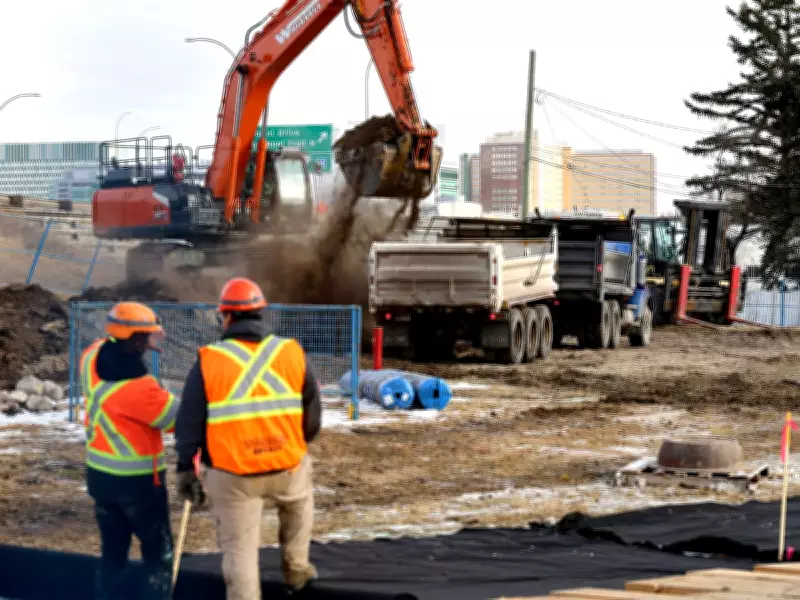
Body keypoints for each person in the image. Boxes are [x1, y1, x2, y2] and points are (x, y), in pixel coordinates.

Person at [174, 277, 322, 599]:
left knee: (240, 551)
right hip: (286, 466)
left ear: (225, 317)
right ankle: (296, 573)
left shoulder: (209, 360)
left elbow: (189, 421)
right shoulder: (291, 352)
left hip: (234, 476)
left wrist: (187, 467)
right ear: (261, 314)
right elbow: (312, 411)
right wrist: (297, 444)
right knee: (299, 506)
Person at [81, 302, 181, 600]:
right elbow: (177, 418)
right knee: (157, 555)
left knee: (112, 552)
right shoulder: (139, 388)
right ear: (133, 338)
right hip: (138, 484)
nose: (151, 342)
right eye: (146, 336)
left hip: (99, 477)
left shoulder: (92, 355)